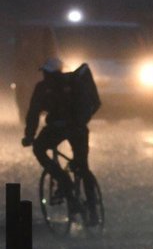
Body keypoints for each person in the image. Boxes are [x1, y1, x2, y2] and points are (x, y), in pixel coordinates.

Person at [21, 57, 97, 222]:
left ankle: (64, 182)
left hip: (58, 128)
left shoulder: (43, 88)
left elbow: (33, 113)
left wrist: (29, 136)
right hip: (77, 128)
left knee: (39, 149)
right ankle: (93, 210)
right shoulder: (75, 84)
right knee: (82, 167)